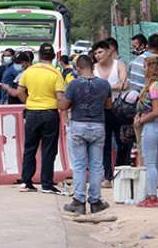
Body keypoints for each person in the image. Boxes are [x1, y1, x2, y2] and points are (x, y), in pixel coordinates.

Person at [59, 55, 112, 215]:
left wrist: (60, 98)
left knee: (80, 165)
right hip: (98, 126)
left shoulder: (74, 85)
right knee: (96, 165)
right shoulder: (104, 84)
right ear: (93, 67)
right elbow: (108, 105)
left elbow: (64, 105)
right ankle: (95, 201)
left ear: (78, 68)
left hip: (78, 125)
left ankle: (79, 201)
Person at [17, 43, 66, 194]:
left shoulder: (29, 71)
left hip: (31, 113)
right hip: (50, 113)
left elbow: (20, 91)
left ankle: (26, 181)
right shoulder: (56, 73)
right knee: (48, 150)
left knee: (30, 148)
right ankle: (46, 184)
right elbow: (59, 96)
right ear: (53, 57)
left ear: (38, 56)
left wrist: (30, 102)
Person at [133, 57, 158, 208]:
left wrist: (141, 120)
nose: (143, 69)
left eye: (145, 67)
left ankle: (151, 196)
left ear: (150, 68)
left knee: (150, 164)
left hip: (151, 127)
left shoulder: (153, 87)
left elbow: (156, 111)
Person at [93, 39, 130, 186]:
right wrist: (111, 87)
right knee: (105, 144)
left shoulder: (118, 65)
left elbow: (125, 83)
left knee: (123, 142)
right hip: (101, 110)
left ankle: (121, 175)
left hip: (119, 109)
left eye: (100, 52)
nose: (98, 55)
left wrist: (105, 87)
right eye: (95, 53)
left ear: (109, 51)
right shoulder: (94, 68)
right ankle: (107, 177)